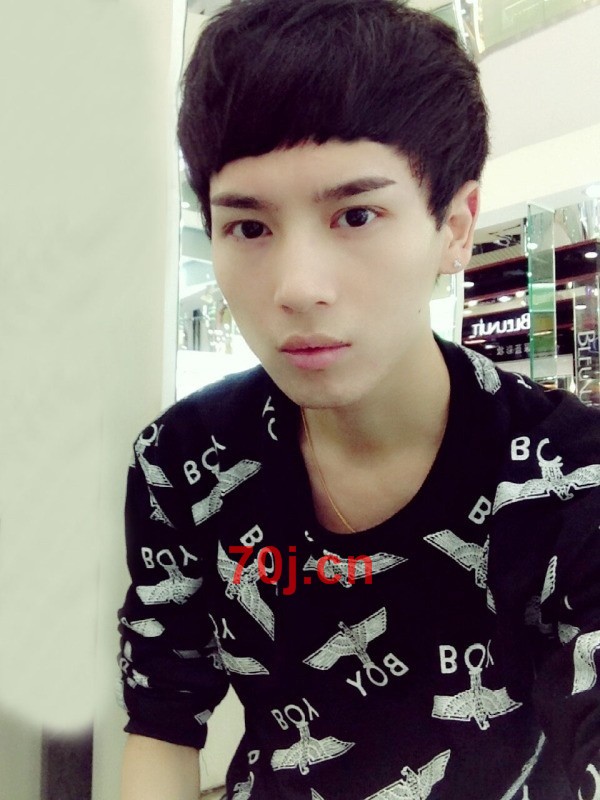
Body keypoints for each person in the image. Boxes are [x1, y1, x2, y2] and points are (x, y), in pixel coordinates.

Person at [118, 1, 600, 798]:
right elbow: (163, 718)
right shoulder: (185, 463)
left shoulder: (571, 477)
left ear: (455, 226)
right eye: (249, 227)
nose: (298, 287)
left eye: (356, 214)